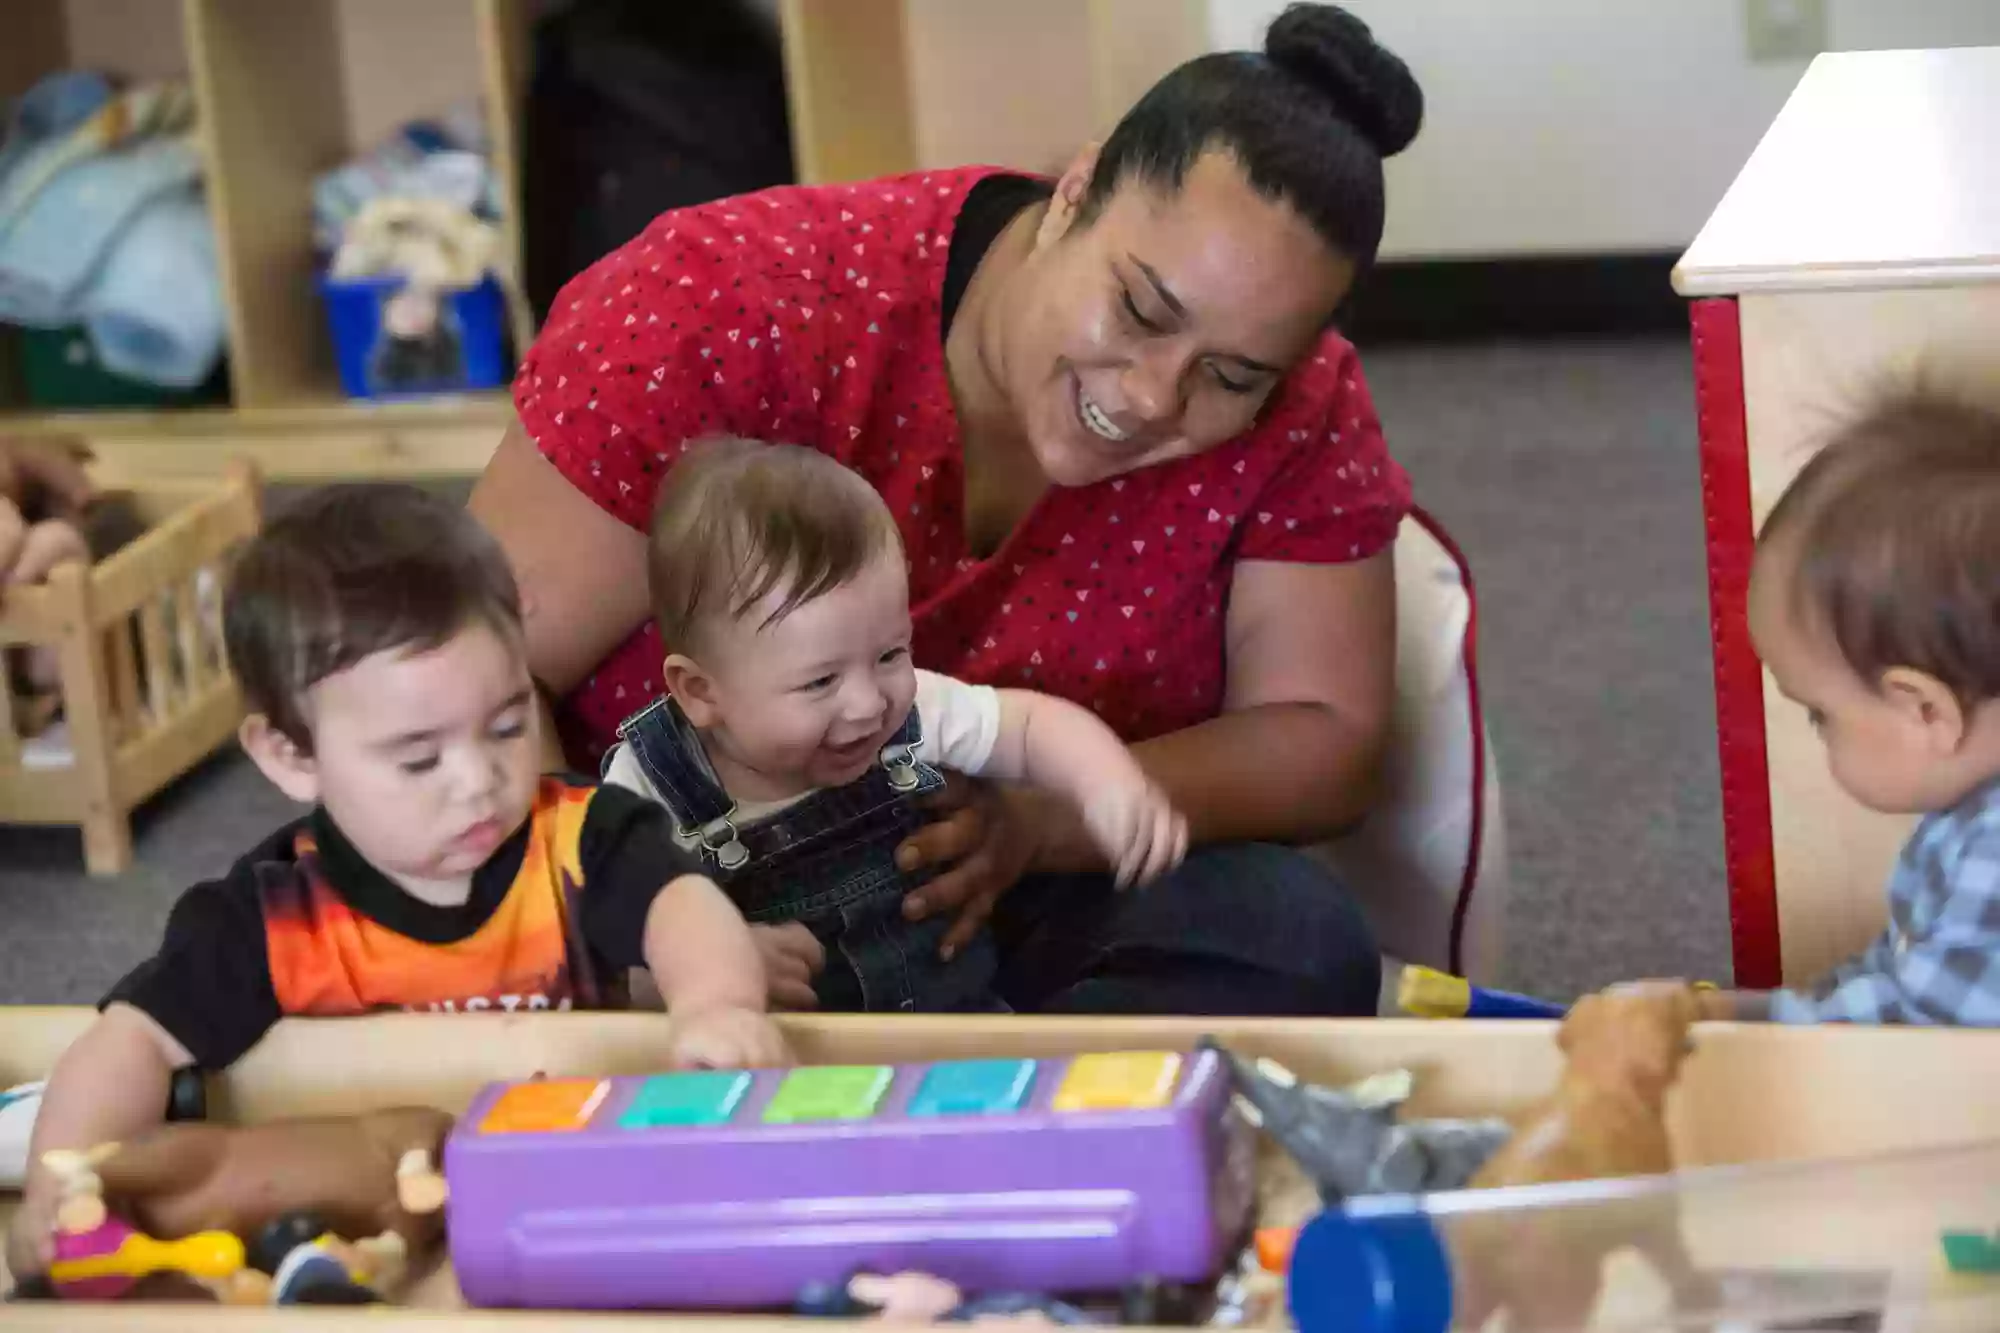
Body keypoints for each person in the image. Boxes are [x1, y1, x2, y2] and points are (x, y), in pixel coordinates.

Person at [469, 2, 1426, 1016]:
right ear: (1074, 192)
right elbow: (474, 671)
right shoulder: (727, 307)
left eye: (1231, 375)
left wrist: (1036, 822)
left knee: (1294, 938)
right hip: (674, 908)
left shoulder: (1304, 402)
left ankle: (974, 1114)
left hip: (998, 899)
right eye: (1140, 309)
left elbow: (1322, 734)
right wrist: (634, 933)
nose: (1151, 397)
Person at [7, 483, 787, 1279]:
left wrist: (715, 1000)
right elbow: (130, 1040)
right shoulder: (273, 912)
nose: (478, 779)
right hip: (358, 1227)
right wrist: (59, 1187)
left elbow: (678, 904)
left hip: (559, 1194)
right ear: (291, 756)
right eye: (419, 757)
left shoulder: (581, 837)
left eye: (509, 722)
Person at [604, 438, 1187, 1012]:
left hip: (958, 1042)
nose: (867, 704)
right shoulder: (651, 786)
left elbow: (1031, 726)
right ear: (702, 692)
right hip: (780, 1080)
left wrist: (1108, 783)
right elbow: (599, 956)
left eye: (890, 654)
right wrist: (701, 970)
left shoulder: (909, 715)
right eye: (819, 682)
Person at [1690, 396, 2000, 1024]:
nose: (1818, 733)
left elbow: (1923, 1031)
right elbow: (1898, 974)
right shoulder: (1967, 818)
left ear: (1924, 711)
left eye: (1819, 714)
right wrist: (1754, 1012)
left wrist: (1762, 1035)